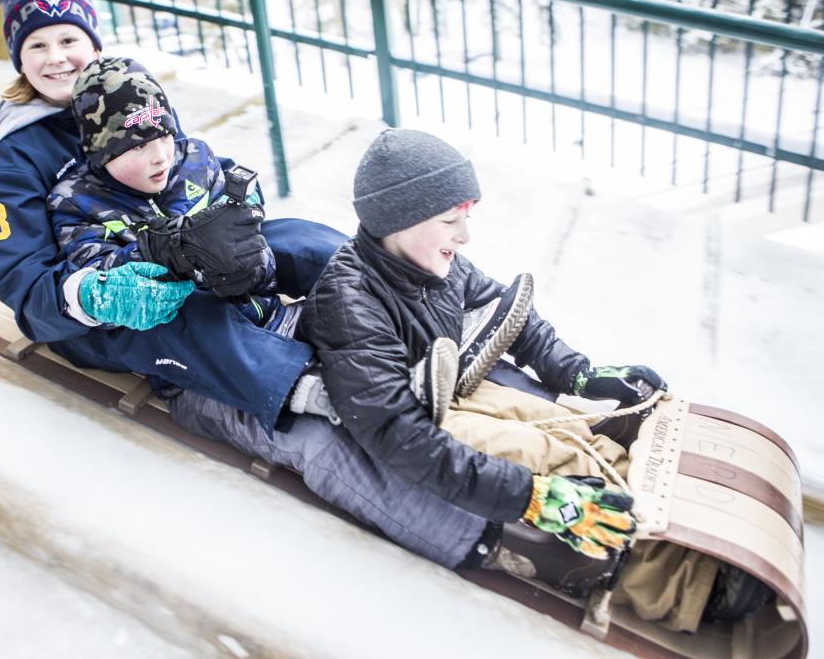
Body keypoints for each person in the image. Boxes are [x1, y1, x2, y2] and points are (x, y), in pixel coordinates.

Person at [0, 0, 498, 574]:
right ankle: (315, 389)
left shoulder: (127, 93)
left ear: (93, 40)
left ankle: (432, 298)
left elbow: (202, 171)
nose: (57, 56)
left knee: (301, 238)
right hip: (116, 312)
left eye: (69, 38)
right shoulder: (16, 160)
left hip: (181, 252)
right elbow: (21, 287)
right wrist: (92, 294)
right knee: (190, 314)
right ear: (19, 57)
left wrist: (237, 226)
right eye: (38, 44)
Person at [297, 128, 772, 632]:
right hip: (415, 418)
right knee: (543, 458)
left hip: (449, 387)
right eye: (449, 221)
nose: (464, 236)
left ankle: (665, 516)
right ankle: (682, 583)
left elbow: (513, 319)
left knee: (570, 427)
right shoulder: (349, 304)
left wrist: (580, 373)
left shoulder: (440, 264)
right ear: (398, 220)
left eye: (467, 218)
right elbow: (399, 436)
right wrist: (532, 497)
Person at [48, 56, 286, 333]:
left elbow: (242, 207)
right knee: (205, 321)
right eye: (138, 147)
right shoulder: (77, 203)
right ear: (102, 153)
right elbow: (101, 278)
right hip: (187, 328)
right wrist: (165, 251)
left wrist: (249, 253)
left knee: (304, 241)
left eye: (164, 136)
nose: (160, 157)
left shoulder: (195, 158)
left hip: (261, 303)